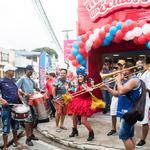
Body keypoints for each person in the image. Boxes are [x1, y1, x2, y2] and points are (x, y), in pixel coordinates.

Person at [100, 62, 145, 150]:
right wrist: (107, 88)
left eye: (123, 69)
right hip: (125, 111)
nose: (121, 71)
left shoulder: (134, 80)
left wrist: (118, 80)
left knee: (124, 136)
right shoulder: (128, 80)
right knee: (129, 135)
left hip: (128, 112)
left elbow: (121, 91)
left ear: (128, 69)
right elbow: (117, 94)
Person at [68, 67, 97, 141]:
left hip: (85, 103)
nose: (79, 78)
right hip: (78, 102)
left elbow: (91, 92)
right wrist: (70, 91)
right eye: (78, 76)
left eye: (81, 76)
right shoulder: (79, 84)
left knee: (83, 121)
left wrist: (89, 88)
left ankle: (91, 132)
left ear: (84, 76)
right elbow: (76, 94)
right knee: (74, 117)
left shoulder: (88, 84)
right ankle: (74, 130)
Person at [0, 64, 25, 150]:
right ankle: (5, 146)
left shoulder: (14, 80)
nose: (14, 72)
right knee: (6, 127)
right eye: (12, 70)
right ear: (7, 71)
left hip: (15, 107)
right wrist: (2, 100)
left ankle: (15, 141)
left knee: (15, 126)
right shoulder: (1, 81)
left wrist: (20, 96)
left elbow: (16, 91)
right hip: (6, 108)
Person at [16, 65, 39, 146]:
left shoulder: (30, 79)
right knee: (27, 121)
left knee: (33, 120)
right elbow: (16, 87)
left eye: (32, 70)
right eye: (29, 70)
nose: (31, 72)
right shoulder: (22, 78)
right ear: (26, 70)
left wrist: (40, 90)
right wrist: (22, 94)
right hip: (26, 103)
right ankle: (27, 138)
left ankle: (31, 135)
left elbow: (35, 87)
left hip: (32, 102)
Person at [107, 60, 125, 136]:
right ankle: (113, 129)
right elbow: (113, 83)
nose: (119, 67)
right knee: (113, 113)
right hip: (115, 96)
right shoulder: (116, 73)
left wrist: (121, 77)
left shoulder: (125, 73)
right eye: (118, 65)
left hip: (122, 96)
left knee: (122, 114)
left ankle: (122, 129)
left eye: (121, 65)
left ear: (124, 66)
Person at [136, 59, 150, 147]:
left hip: (146, 99)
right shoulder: (139, 74)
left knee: (145, 121)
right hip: (139, 99)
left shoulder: (148, 73)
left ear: (144, 64)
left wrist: (138, 87)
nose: (137, 66)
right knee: (141, 120)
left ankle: (143, 140)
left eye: (139, 64)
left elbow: (149, 88)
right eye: (136, 64)